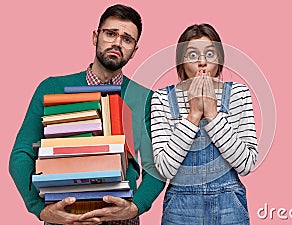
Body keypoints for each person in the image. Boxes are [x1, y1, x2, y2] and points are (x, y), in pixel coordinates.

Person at [9, 4, 165, 225]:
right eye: (110, 34)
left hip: (121, 216)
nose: (117, 43)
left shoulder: (144, 98)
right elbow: (21, 153)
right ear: (95, 37)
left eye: (127, 39)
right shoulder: (51, 88)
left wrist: (134, 207)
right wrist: (39, 209)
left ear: (134, 50)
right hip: (62, 215)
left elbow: (157, 166)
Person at [150, 23, 258, 224]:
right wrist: (193, 114)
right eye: (192, 55)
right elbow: (165, 169)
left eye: (210, 54)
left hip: (230, 205)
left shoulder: (238, 94)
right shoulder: (162, 99)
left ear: (219, 60)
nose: (202, 62)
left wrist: (212, 114)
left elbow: (246, 163)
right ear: (181, 62)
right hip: (180, 208)